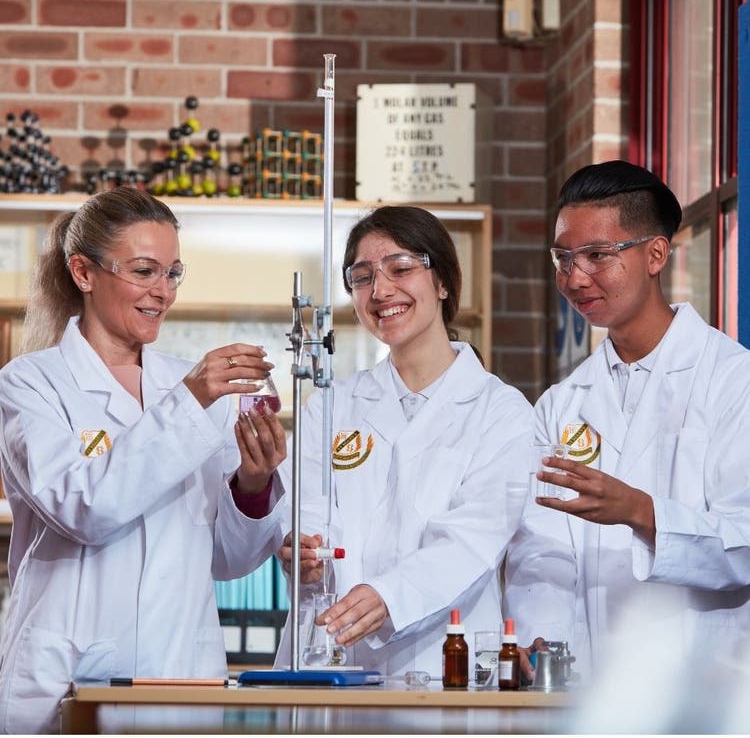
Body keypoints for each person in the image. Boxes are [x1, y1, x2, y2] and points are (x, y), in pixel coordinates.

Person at [0, 187, 287, 733]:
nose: (162, 292)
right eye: (144, 271)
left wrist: (253, 483)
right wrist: (192, 399)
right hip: (65, 680)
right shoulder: (32, 384)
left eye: (173, 273)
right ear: (83, 273)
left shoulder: (190, 389)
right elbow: (86, 508)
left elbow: (230, 560)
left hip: (181, 676)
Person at [504, 160, 750, 682]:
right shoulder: (560, 405)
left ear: (655, 254)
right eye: (563, 258)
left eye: (597, 255)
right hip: (590, 682)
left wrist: (640, 511)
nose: (574, 278)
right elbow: (539, 550)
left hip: (706, 679)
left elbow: (746, 544)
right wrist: (538, 637)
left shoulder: (734, 380)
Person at [272, 205, 533, 677]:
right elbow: (305, 510)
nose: (381, 290)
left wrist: (389, 596)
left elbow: (473, 538)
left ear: (443, 282)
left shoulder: (501, 410)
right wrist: (303, 554)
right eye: (363, 276)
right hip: (330, 654)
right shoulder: (332, 404)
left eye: (401, 268)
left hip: (440, 657)